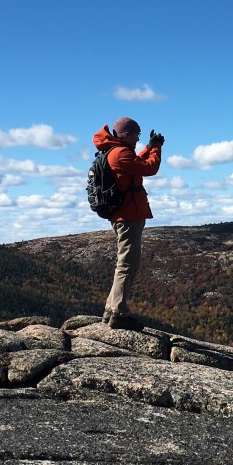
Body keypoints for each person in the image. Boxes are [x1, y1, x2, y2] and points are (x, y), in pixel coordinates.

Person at [93, 117, 163, 330]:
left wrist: (147, 147)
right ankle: (119, 314)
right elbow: (149, 168)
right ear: (126, 135)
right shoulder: (120, 153)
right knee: (127, 265)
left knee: (126, 263)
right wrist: (156, 149)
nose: (138, 139)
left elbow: (135, 165)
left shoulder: (115, 151)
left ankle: (110, 309)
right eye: (136, 135)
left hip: (125, 215)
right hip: (128, 216)